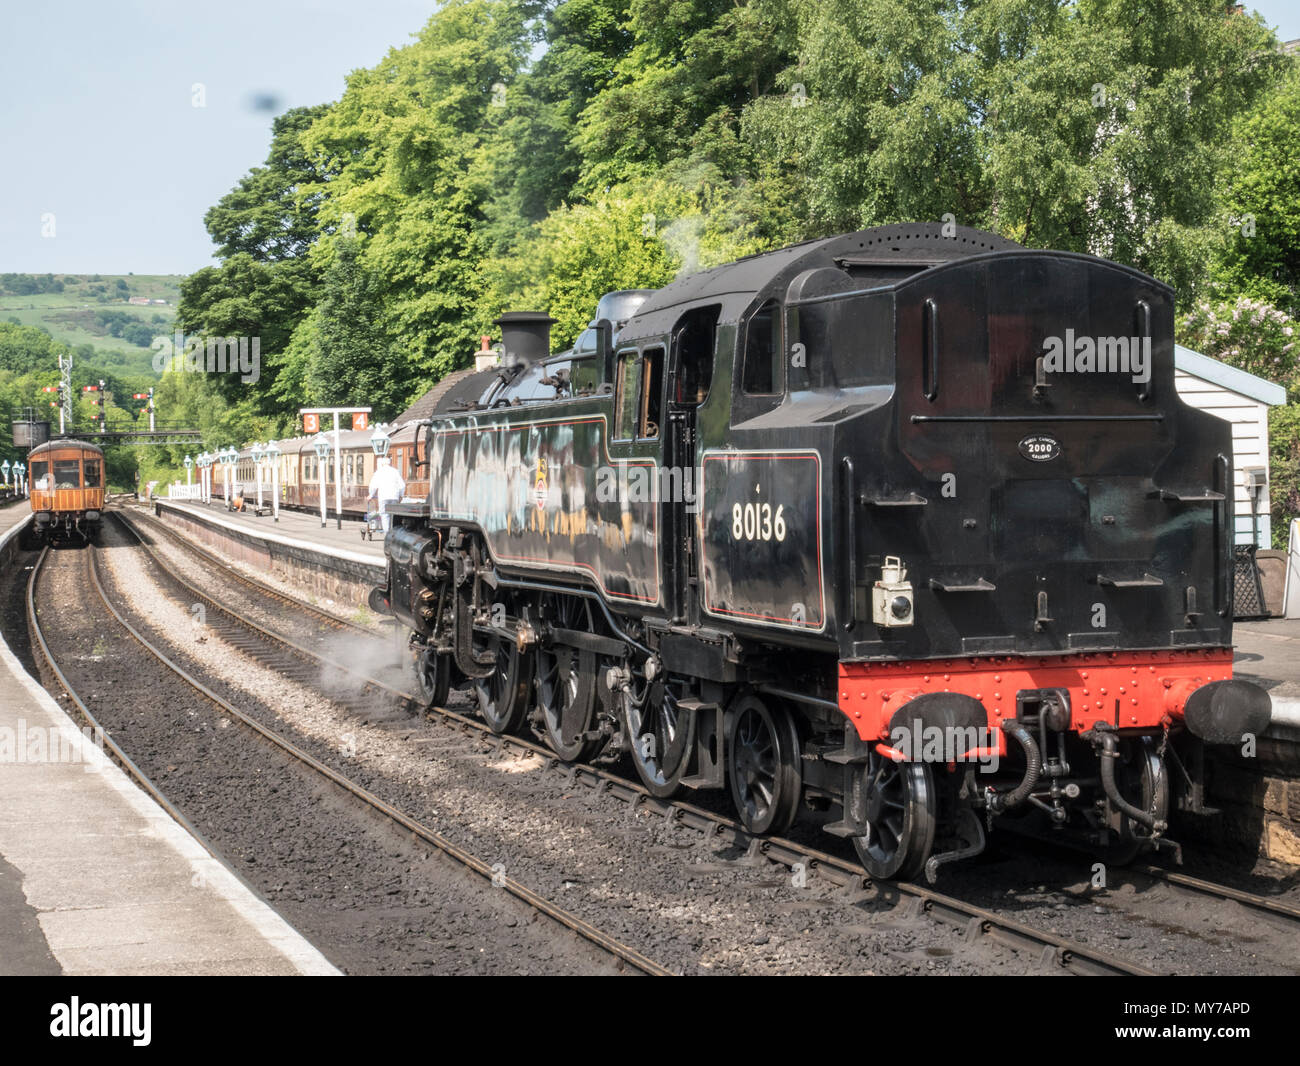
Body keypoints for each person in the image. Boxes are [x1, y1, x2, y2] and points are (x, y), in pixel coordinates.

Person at [367, 456, 406, 533]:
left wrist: (370, 495)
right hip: (394, 496)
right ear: (390, 463)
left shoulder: (378, 472)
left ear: (382, 464)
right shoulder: (395, 471)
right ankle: (393, 533)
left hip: (383, 497)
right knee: (393, 515)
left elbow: (373, 486)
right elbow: (402, 485)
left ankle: (387, 534)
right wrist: (401, 495)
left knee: (384, 515)